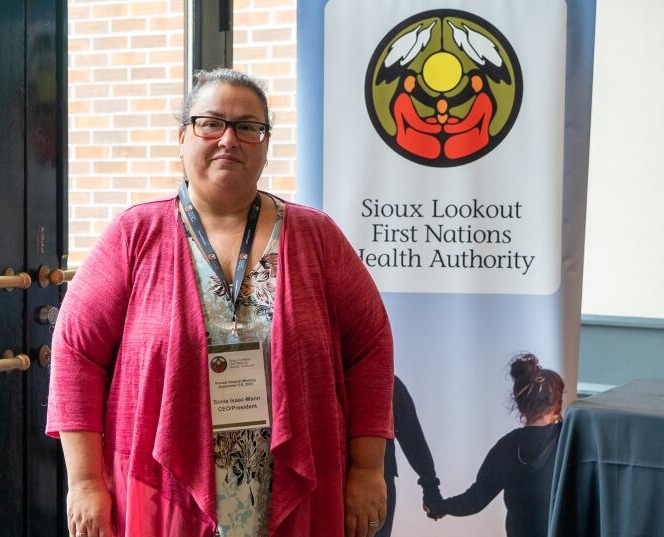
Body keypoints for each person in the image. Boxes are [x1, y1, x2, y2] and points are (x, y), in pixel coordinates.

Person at [46, 68, 394, 537]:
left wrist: (368, 470)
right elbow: (76, 353)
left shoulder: (317, 237)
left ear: (266, 146)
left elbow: (371, 348)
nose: (229, 139)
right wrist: (85, 482)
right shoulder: (134, 234)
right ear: (183, 138)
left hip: (292, 480)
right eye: (211, 123)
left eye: (248, 127)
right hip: (163, 482)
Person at [426, 353, 564, 537]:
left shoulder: (506, 447)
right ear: (558, 405)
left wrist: (440, 506)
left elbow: (475, 499)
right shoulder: (570, 441)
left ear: (519, 405)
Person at [378, 375, 442, 537]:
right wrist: (430, 486)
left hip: (376, 484)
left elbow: (411, 435)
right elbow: (412, 436)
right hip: (378, 484)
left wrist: (430, 486)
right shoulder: (387, 381)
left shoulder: (387, 382)